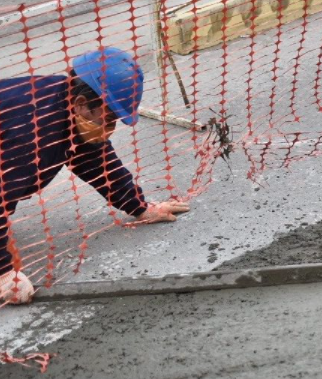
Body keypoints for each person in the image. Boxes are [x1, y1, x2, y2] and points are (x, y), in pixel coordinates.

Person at [0, 48, 190, 305]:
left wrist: (140, 208)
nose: (110, 127)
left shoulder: (68, 108)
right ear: (81, 104)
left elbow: (97, 162)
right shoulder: (28, 135)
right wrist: (4, 273)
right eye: (109, 117)